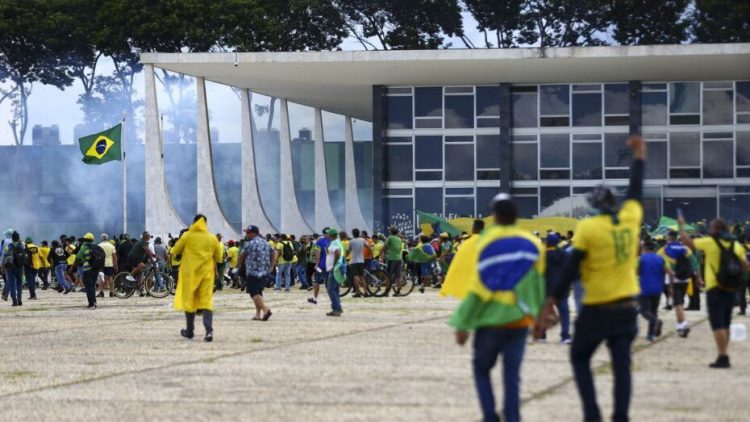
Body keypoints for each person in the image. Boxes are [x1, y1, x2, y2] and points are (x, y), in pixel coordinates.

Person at [539, 135, 646, 422]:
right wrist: (639, 157)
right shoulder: (630, 219)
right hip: (627, 309)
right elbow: (636, 192)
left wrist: (552, 299)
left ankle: (592, 414)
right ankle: (620, 416)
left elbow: (570, 267)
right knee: (621, 366)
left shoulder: (588, 227)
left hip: (597, 308)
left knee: (579, 358)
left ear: (594, 205)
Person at [450, 194, 546, 422]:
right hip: (519, 321)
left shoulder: (486, 241)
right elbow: (538, 284)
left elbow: (479, 285)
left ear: (495, 216)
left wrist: (463, 322)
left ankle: (490, 416)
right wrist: (539, 318)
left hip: (490, 321)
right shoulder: (533, 244)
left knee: (482, 370)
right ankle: (513, 418)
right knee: (512, 376)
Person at [678, 217, 749, 368]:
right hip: (730, 288)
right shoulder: (736, 245)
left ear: (715, 230)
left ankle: (723, 356)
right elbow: (745, 266)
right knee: (726, 322)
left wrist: (681, 226)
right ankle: (724, 352)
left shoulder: (710, 242)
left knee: (717, 324)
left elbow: (688, 242)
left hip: (714, 288)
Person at [172, 215, 223, 342]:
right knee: (206, 301)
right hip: (206, 275)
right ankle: (209, 331)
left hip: (190, 275)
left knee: (189, 302)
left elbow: (176, 250)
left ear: (194, 223)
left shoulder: (187, 236)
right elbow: (219, 256)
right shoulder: (212, 238)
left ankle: (190, 331)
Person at [658, 230, 700, 337]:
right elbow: (695, 264)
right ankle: (681, 324)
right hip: (685, 278)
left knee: (677, 304)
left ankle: (682, 325)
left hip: (672, 279)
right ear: (676, 237)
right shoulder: (686, 249)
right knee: (680, 302)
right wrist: (698, 278)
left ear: (668, 238)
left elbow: (657, 262)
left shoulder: (663, 250)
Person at [236, 225, 277, 321]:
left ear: (254, 233)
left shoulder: (249, 244)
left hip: (253, 272)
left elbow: (241, 256)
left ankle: (266, 310)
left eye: (248, 233)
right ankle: (258, 314)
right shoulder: (265, 243)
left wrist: (237, 266)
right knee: (258, 293)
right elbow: (275, 253)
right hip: (264, 272)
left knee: (253, 293)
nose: (246, 234)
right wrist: (272, 266)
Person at [537, 233, 570, 344]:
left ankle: (542, 336)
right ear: (557, 242)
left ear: (546, 242)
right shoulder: (564, 254)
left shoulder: (541, 255)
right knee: (564, 312)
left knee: (543, 312)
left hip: (545, 288)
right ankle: (565, 336)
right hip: (561, 287)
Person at [639, 241, 673, 342]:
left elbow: (634, 272)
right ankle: (651, 335)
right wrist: (670, 287)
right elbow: (670, 273)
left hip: (644, 289)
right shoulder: (661, 259)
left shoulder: (640, 259)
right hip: (658, 289)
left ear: (644, 249)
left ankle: (655, 322)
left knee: (644, 311)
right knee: (654, 312)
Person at [324, 228, 345, 316]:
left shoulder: (334, 243)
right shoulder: (337, 242)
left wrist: (333, 264)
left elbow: (337, 252)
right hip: (335, 268)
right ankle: (336, 308)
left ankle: (337, 308)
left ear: (331, 235)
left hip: (334, 269)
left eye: (327, 234)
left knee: (330, 289)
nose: (326, 235)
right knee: (335, 289)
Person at [74, 233, 98, 309]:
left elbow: (78, 257)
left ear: (85, 239)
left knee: (88, 287)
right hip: (95, 269)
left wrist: (83, 260)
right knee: (93, 287)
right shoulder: (95, 246)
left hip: (87, 269)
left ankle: (91, 304)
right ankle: (94, 302)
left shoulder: (84, 247)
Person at [308, 228, 331, 305]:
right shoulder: (333, 241)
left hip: (322, 265)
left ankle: (315, 298)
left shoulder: (320, 241)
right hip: (330, 265)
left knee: (317, 281)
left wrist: (317, 263)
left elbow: (317, 253)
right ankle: (333, 298)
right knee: (330, 282)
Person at [2, 231, 25, 306]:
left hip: (10, 268)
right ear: (18, 238)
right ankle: (19, 299)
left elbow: (5, 257)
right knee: (19, 284)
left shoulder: (9, 246)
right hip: (20, 267)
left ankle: (14, 301)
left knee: (12, 284)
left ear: (12, 238)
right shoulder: (22, 245)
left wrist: (2, 266)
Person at [348, 228, 369, 297]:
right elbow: (368, 247)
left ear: (353, 234)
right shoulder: (362, 240)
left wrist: (344, 255)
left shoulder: (351, 241)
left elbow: (348, 250)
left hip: (354, 261)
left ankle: (358, 292)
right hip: (361, 260)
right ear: (359, 233)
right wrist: (372, 255)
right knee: (362, 277)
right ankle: (365, 292)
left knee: (355, 277)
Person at [383, 226, 404, 297]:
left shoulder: (390, 238)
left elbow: (384, 246)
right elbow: (400, 248)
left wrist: (380, 254)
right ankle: (398, 292)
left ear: (391, 231)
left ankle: (387, 292)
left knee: (388, 276)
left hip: (392, 259)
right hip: (399, 259)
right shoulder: (399, 239)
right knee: (398, 276)